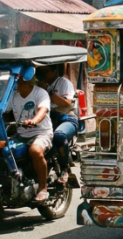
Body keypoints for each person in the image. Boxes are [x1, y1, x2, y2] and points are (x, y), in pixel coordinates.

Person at [7, 68, 53, 203]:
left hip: (42, 132)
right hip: (21, 134)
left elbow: (43, 110)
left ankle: (43, 188)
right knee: (1, 150)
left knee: (35, 150)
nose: (17, 82)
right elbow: (2, 109)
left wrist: (34, 121)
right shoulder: (14, 95)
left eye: (20, 79)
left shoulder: (40, 93)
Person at [40, 64, 80, 166]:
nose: (43, 75)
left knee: (59, 136)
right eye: (41, 72)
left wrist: (48, 91)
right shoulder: (38, 85)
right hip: (48, 119)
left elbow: (66, 103)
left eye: (46, 71)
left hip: (66, 117)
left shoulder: (64, 83)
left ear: (54, 71)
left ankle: (64, 170)